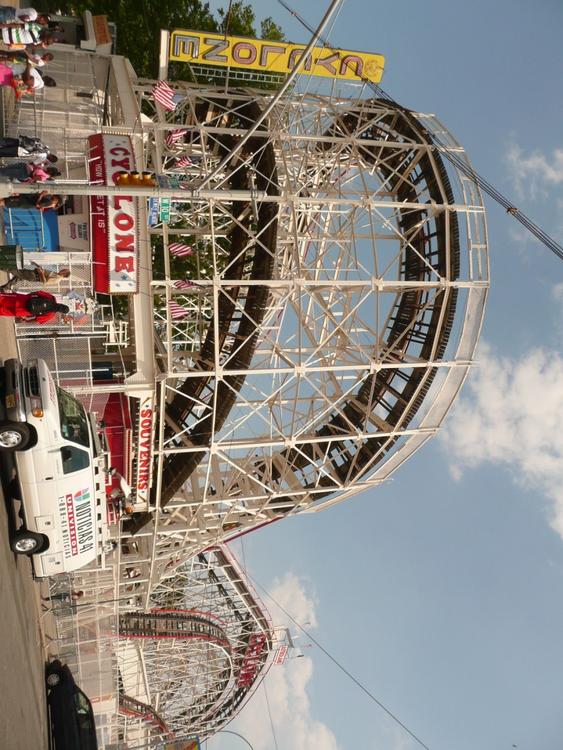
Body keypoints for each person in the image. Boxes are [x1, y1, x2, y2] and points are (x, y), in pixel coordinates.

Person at [0, 289, 70, 324]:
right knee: (2, 311)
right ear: (60, 312)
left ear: (61, 304)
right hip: (22, 311)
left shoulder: (51, 298)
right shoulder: (50, 315)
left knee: (3, 299)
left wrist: (28, 296)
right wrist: (26, 321)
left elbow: (38, 292)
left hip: (21, 299)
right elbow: (36, 320)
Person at [0, 264, 70, 290]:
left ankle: (2, 267)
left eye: (63, 270)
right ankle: (5, 288)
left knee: (16, 271)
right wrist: (40, 268)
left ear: (64, 274)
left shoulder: (57, 279)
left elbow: (44, 282)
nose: (62, 269)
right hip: (34, 274)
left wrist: (41, 273)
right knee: (18, 278)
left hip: (33, 276)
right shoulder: (56, 274)